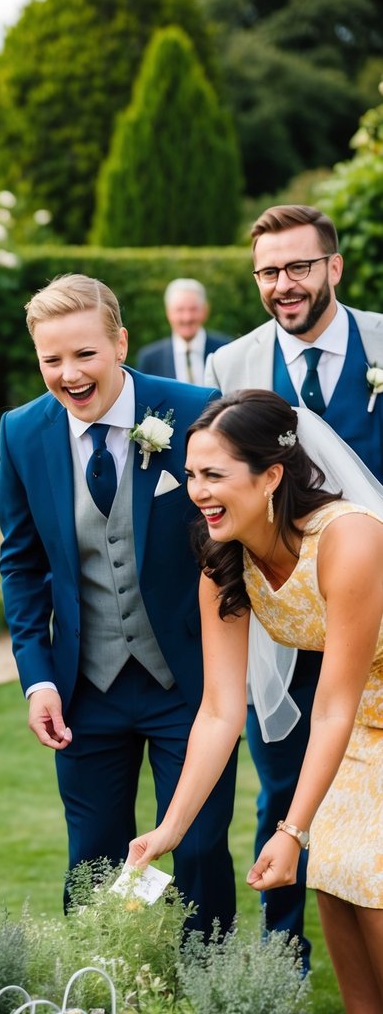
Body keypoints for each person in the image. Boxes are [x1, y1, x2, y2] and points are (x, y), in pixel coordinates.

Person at [128, 388, 383, 1014]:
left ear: (270, 475)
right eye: (191, 475)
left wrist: (290, 828)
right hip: (362, 711)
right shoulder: (222, 559)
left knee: (366, 879)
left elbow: (329, 706)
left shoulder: (350, 538)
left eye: (213, 475)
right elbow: (217, 708)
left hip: (358, 705)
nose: (197, 492)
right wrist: (169, 827)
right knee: (334, 881)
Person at [0, 273, 237, 936]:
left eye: (84, 355)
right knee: (93, 863)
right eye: (51, 360)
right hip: (83, 689)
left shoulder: (195, 411)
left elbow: (231, 534)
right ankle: (101, 1013)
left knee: (194, 849)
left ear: (120, 343)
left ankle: (210, 1009)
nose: (68, 375)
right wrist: (37, 678)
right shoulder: (20, 432)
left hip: (186, 683)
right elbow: (19, 565)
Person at [205, 205, 383, 970]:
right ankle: (282, 955)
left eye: (299, 267)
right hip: (286, 602)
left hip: (368, 595)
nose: (284, 284)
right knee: (279, 773)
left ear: (332, 268)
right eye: (268, 271)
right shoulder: (228, 364)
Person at [135, 278, 231, 383]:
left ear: (205, 311)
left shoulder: (226, 349)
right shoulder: (150, 359)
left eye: (193, 309)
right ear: (168, 313)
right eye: (180, 310)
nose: (187, 318)